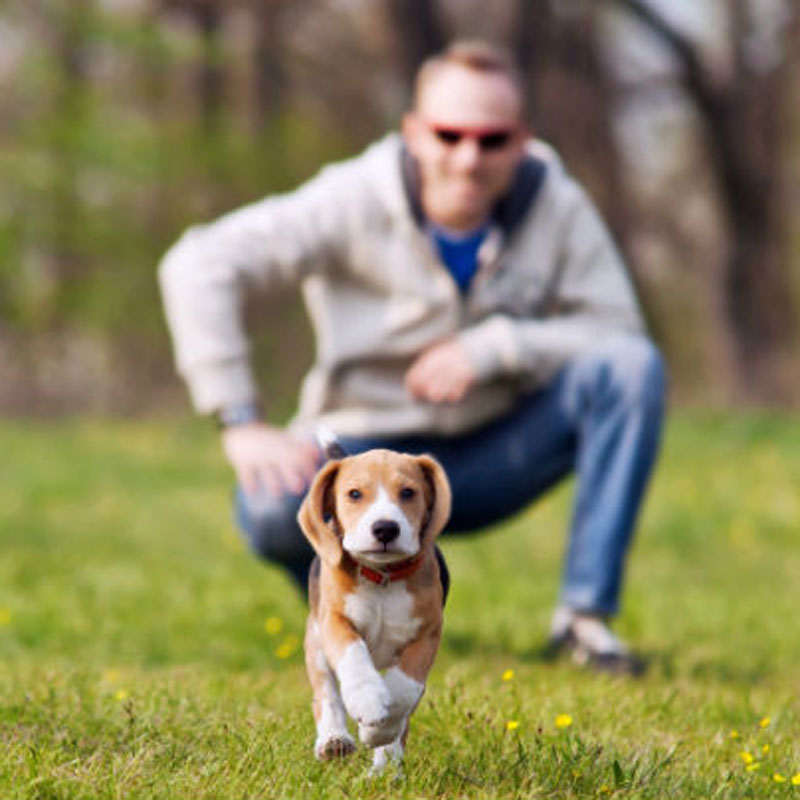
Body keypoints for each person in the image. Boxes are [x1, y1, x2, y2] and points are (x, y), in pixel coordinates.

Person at [159, 40, 666, 675]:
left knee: (630, 371)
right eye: (449, 135)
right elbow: (198, 263)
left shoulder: (556, 202)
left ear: (522, 139)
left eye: (492, 139)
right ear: (414, 133)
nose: (468, 157)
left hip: (495, 453)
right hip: (362, 445)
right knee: (266, 508)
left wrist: (495, 347)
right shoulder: (352, 196)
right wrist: (239, 417)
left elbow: (620, 332)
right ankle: (346, 610)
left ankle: (583, 623)